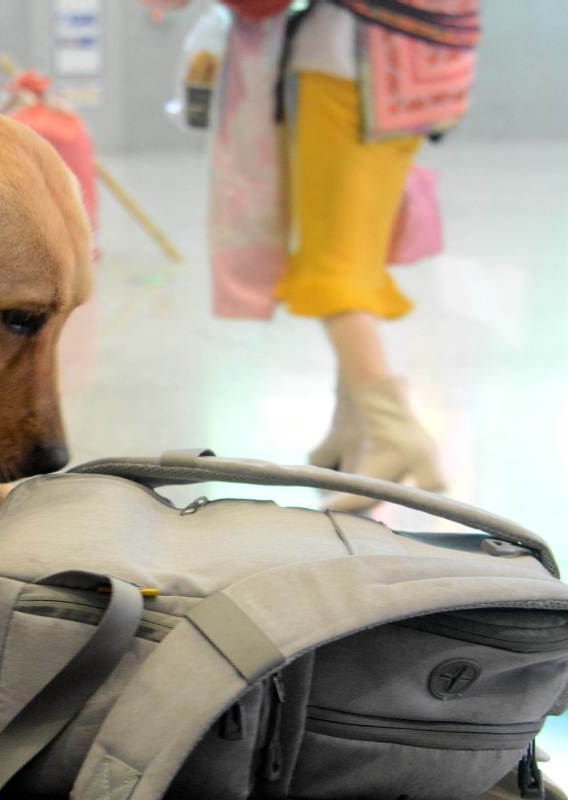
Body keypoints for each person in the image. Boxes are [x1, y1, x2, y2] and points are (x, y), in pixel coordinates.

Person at [204, 0, 480, 510]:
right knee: (358, 259)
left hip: (350, 66)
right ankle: (350, 432)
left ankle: (395, 434)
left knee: (331, 267)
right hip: (424, 72)